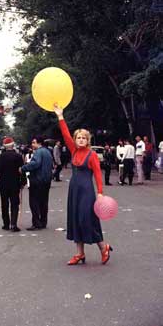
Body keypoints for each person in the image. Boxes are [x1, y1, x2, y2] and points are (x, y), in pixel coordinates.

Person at [53, 104, 113, 265]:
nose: (80, 140)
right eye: (78, 137)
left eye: (83, 138)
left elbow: (98, 175)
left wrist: (100, 192)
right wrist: (60, 116)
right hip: (74, 190)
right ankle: (79, 253)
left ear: (88, 140)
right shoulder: (73, 151)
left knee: (87, 219)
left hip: (87, 191)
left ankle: (103, 247)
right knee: (75, 219)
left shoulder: (92, 155)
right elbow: (65, 134)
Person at [21, 136, 53, 231]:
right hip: (46, 180)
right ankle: (43, 222)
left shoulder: (38, 152)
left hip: (37, 180)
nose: (32, 144)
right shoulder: (47, 152)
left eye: (33, 142)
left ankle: (36, 223)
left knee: (34, 202)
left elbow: (35, 163)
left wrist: (23, 168)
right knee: (44, 202)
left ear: (39, 143)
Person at [0, 137, 25, 232]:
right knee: (15, 203)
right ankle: (13, 224)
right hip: (15, 182)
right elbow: (22, 170)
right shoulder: (18, 156)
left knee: (4, 203)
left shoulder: (0, 157)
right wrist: (23, 182)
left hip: (3, 182)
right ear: (13, 145)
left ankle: (6, 224)